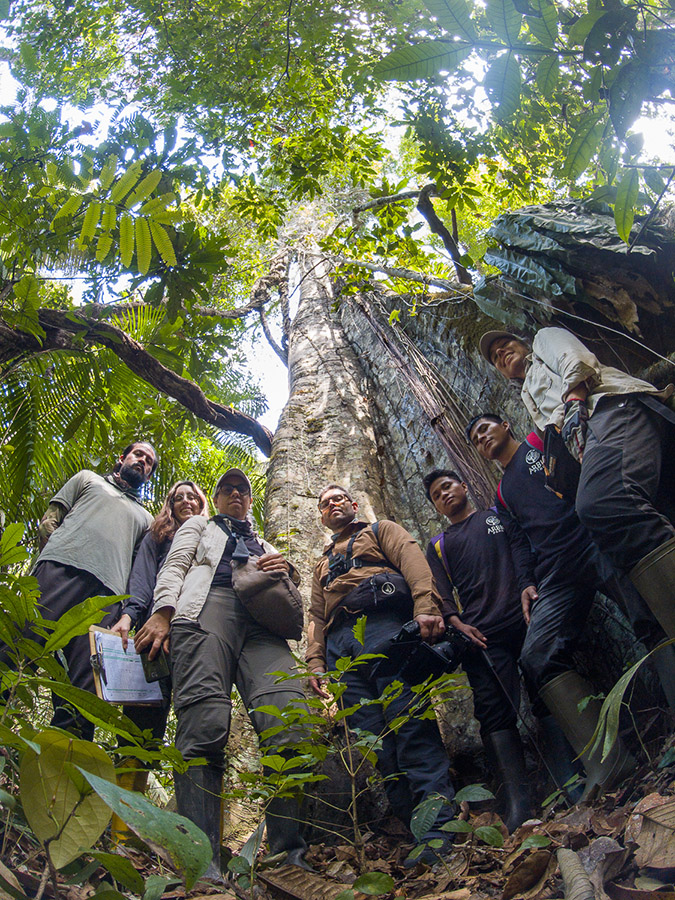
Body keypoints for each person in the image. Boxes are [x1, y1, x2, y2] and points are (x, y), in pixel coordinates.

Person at [135, 468, 309, 880]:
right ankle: (203, 863)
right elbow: (176, 565)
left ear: (250, 501)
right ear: (216, 498)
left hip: (263, 626)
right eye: (227, 489)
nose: (236, 494)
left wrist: (288, 570)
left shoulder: (263, 540)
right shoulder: (199, 524)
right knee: (203, 724)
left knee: (290, 721)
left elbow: (290, 589)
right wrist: (163, 612)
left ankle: (289, 857)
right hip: (205, 608)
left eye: (242, 490)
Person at [466, 414, 635, 800]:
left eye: (485, 429)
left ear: (505, 425)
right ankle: (608, 762)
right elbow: (519, 542)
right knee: (537, 655)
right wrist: (527, 582)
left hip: (593, 539)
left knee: (643, 612)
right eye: (475, 439)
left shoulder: (539, 444)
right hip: (556, 572)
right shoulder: (501, 495)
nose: (482, 438)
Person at [479, 327, 675, 640]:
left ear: (523, 343)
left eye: (505, 345)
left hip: (606, 407)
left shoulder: (543, 341)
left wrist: (573, 400)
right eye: (496, 358)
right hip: (592, 440)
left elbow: (576, 359)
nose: (501, 354)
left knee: (602, 503)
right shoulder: (528, 393)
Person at [307, 484, 457, 866]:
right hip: (341, 647)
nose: (332, 505)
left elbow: (411, 558)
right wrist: (316, 663)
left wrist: (426, 604)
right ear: (322, 518)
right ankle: (414, 830)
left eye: (338, 498)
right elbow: (315, 616)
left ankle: (439, 828)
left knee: (408, 722)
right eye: (325, 504)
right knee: (374, 742)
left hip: (383, 626)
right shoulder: (321, 565)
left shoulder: (380, 530)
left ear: (354, 505)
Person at [423, 469, 578, 830]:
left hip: (525, 617)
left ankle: (571, 780)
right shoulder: (438, 544)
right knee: (494, 712)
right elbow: (441, 590)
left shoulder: (495, 516)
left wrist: (527, 584)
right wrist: (455, 621)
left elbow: (522, 548)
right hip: (481, 636)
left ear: (463, 485)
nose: (444, 494)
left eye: (447, 486)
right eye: (435, 495)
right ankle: (518, 805)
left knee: (546, 691)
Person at [27, 441, 157, 740]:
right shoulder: (88, 479)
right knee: (22, 643)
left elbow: (140, 570)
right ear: (122, 457)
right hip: (59, 571)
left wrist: (125, 613)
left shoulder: (147, 520)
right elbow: (51, 519)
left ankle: (66, 758)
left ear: (149, 475)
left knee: (85, 684)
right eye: (139, 454)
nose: (143, 462)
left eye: (149, 462)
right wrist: (55, 557)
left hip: (105, 597)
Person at [111, 480, 209, 742]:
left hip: (197, 630)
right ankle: (128, 779)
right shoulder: (158, 536)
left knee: (199, 713)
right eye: (179, 498)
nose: (186, 502)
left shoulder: (214, 536)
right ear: (171, 505)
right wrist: (129, 615)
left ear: (201, 503)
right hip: (153, 628)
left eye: (193, 497)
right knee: (142, 721)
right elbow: (142, 578)